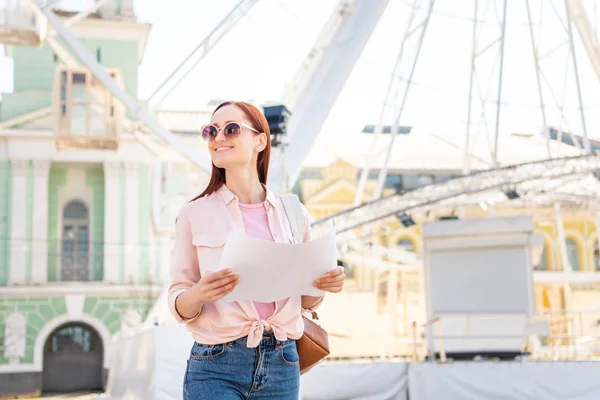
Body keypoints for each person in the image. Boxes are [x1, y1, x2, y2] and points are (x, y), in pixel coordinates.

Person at [168, 101, 345, 400]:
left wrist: (324, 285)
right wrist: (200, 293)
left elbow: (305, 300)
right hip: (216, 365)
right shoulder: (193, 214)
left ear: (260, 140)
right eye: (211, 131)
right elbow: (178, 303)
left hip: (282, 363)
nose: (218, 138)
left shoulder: (293, 212)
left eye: (231, 129)